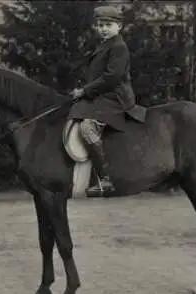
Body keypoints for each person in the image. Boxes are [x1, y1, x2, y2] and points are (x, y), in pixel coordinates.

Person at [67, 5, 135, 196]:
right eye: (101, 25)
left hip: (115, 97)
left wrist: (85, 91)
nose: (104, 28)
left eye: (108, 25)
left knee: (87, 128)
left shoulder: (119, 47)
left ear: (119, 26)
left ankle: (105, 178)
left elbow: (112, 77)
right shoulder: (105, 46)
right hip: (102, 96)